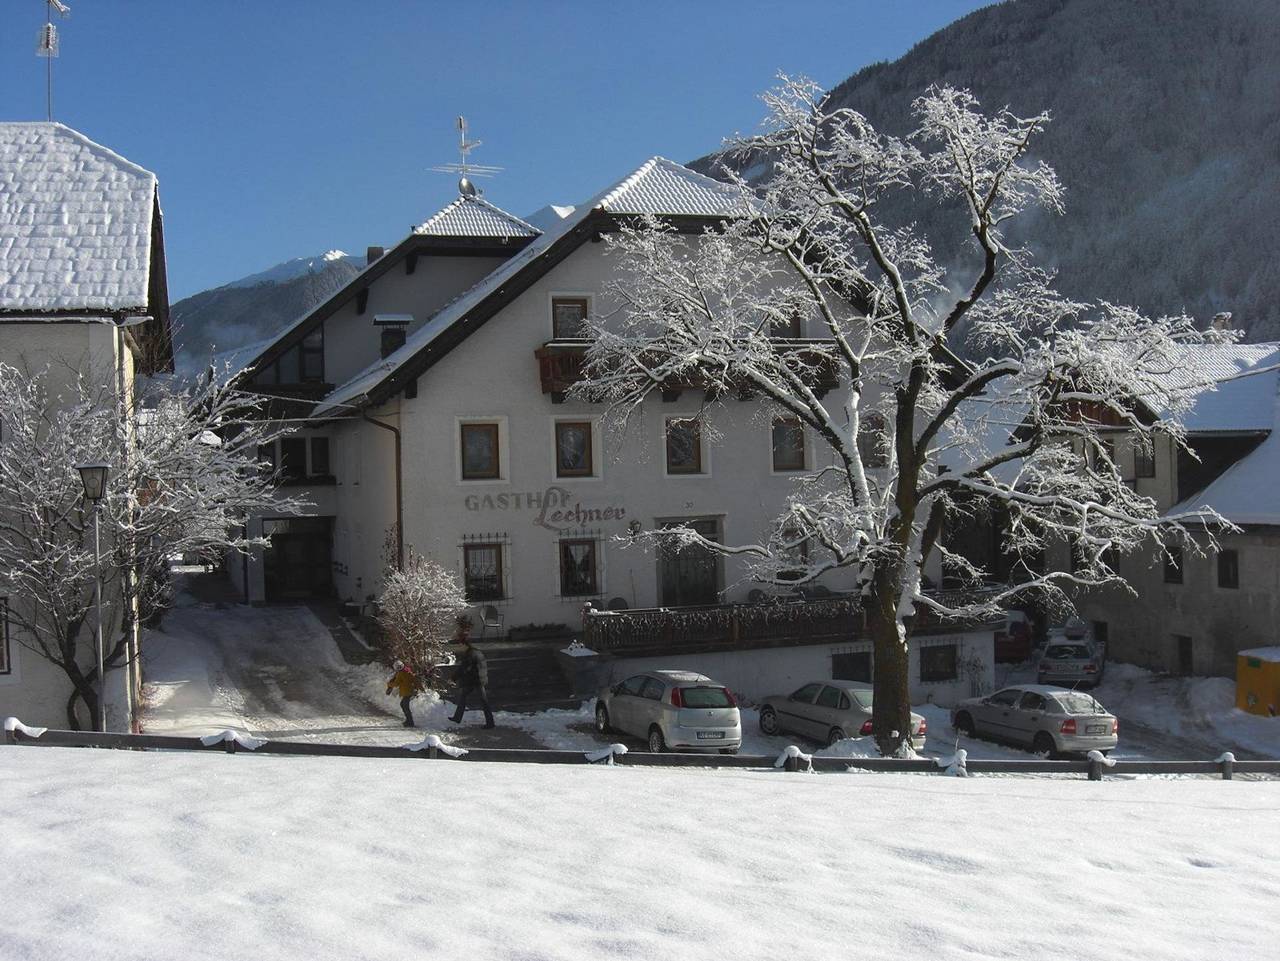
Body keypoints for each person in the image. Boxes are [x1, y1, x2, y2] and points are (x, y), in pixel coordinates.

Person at [450, 638, 494, 728]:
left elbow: (463, 668)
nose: (459, 648)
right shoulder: (476, 652)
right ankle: (457, 717)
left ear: (465, 645)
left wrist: (453, 678)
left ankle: (490, 723)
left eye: (460, 645)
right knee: (464, 696)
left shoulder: (470, 655)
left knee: (484, 701)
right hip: (477, 679)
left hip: (476, 681)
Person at [386, 659, 418, 728]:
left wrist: (389, 684)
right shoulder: (407, 670)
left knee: (405, 706)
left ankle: (410, 722)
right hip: (409, 690)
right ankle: (409, 720)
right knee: (403, 705)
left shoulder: (401, 674)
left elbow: (396, 683)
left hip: (407, 691)